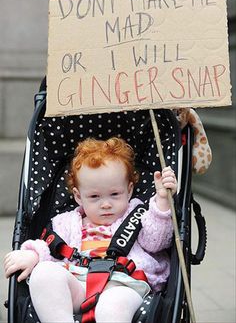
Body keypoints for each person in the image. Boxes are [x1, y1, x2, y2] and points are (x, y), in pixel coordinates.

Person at [4, 137, 177, 323]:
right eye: (94, 196)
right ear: (78, 197)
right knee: (43, 273)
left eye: (115, 194)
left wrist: (162, 202)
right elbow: (49, 247)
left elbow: (156, 241)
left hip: (123, 284)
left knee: (112, 305)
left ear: (129, 189)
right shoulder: (66, 222)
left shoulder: (138, 214)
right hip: (79, 285)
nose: (105, 204)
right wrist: (33, 255)